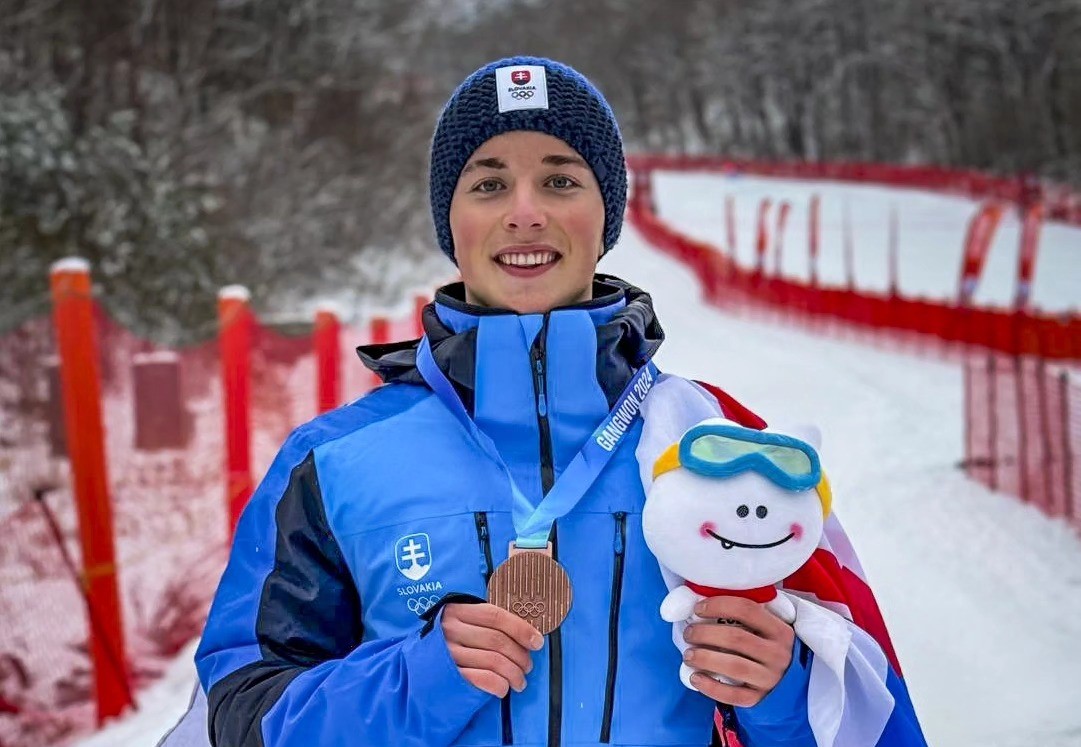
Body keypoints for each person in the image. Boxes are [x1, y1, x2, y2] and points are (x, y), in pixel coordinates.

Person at [188, 56, 928, 747]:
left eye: (560, 181)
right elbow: (242, 713)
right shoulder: (331, 462)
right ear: (450, 223)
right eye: (487, 185)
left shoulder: (714, 441)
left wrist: (781, 693)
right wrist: (414, 680)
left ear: (606, 215)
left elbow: (859, 706)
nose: (525, 212)